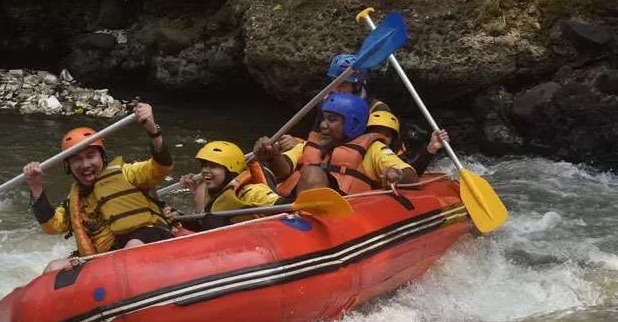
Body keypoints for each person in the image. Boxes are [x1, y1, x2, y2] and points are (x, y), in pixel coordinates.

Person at [23, 102, 173, 273]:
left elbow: (161, 167)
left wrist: (153, 129)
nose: (85, 164)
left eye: (90, 156)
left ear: (102, 157)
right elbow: (51, 226)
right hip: (104, 256)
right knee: (52, 268)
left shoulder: (127, 172)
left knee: (132, 246)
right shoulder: (74, 200)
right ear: (68, 166)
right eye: (76, 160)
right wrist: (36, 187)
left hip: (145, 236)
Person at [253, 92, 418, 197]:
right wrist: (273, 156)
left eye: (332, 120)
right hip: (297, 214)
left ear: (352, 123)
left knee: (312, 173)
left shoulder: (374, 149)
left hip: (348, 216)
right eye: (324, 118)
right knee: (311, 172)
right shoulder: (310, 145)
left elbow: (411, 174)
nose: (323, 125)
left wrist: (398, 175)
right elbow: (283, 170)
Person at [180, 141, 280, 230]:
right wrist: (175, 216)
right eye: (205, 166)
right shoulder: (213, 192)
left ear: (231, 171)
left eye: (214, 166)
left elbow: (281, 205)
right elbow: (203, 224)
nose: (205, 171)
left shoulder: (251, 191)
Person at [365, 103, 450, 176]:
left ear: (393, 139)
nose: (381, 137)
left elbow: (414, 172)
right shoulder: (358, 148)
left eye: (387, 135)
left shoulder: (394, 155)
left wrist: (432, 148)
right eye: (376, 132)